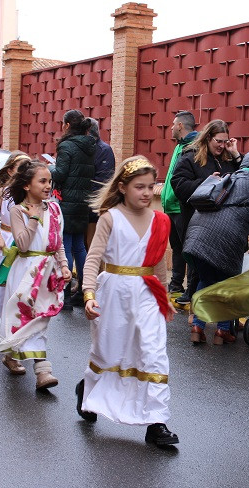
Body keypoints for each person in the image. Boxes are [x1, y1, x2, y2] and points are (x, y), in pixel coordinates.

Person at [77, 156, 179, 448]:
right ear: (122, 187)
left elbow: (158, 262)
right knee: (110, 351)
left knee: (153, 353)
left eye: (151, 187)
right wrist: (88, 293)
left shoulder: (161, 220)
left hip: (147, 293)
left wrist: (165, 297)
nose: (147, 193)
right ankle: (88, 390)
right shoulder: (110, 218)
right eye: (139, 187)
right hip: (114, 292)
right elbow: (93, 258)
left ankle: (157, 422)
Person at [0, 161, 71, 387]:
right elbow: (23, 244)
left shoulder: (55, 209)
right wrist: (34, 218)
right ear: (27, 186)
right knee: (25, 316)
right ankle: (42, 371)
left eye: (49, 181)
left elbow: (57, 242)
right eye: (42, 181)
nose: (48, 186)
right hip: (25, 270)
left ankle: (14, 356)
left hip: (48, 271)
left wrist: (64, 265)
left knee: (41, 317)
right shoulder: (17, 210)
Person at [183, 150, 249, 345]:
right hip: (224, 241)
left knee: (206, 280)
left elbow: (244, 213)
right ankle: (222, 331)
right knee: (227, 285)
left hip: (196, 236)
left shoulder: (228, 178)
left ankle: (198, 326)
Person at [170, 119, 242, 305]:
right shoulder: (190, 157)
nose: (222, 146)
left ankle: (209, 311)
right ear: (208, 137)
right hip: (196, 220)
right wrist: (205, 183)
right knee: (199, 264)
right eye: (218, 141)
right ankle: (197, 312)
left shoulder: (227, 158)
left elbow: (244, 180)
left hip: (222, 223)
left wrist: (236, 155)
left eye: (225, 142)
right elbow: (178, 184)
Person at [50, 109, 96, 310]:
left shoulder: (67, 146)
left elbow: (60, 174)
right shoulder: (89, 146)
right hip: (83, 201)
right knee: (80, 246)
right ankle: (85, 292)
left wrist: (49, 168)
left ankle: (65, 295)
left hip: (67, 201)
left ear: (67, 125)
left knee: (66, 246)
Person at [0, 151, 30, 321]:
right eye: (21, 169)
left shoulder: (31, 193)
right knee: (3, 285)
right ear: (10, 171)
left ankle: (18, 324)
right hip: (6, 241)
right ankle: (4, 325)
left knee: (21, 285)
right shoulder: (3, 192)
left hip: (25, 241)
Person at [161, 111, 197, 295]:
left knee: (188, 249)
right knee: (177, 247)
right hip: (171, 207)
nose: (172, 128)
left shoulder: (193, 146)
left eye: (174, 124)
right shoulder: (179, 146)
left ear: (181, 126)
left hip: (181, 207)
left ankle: (190, 288)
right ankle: (176, 284)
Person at [85, 117, 115, 250]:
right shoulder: (85, 149)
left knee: (93, 244)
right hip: (82, 206)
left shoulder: (104, 150)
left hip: (95, 205)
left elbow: (103, 181)